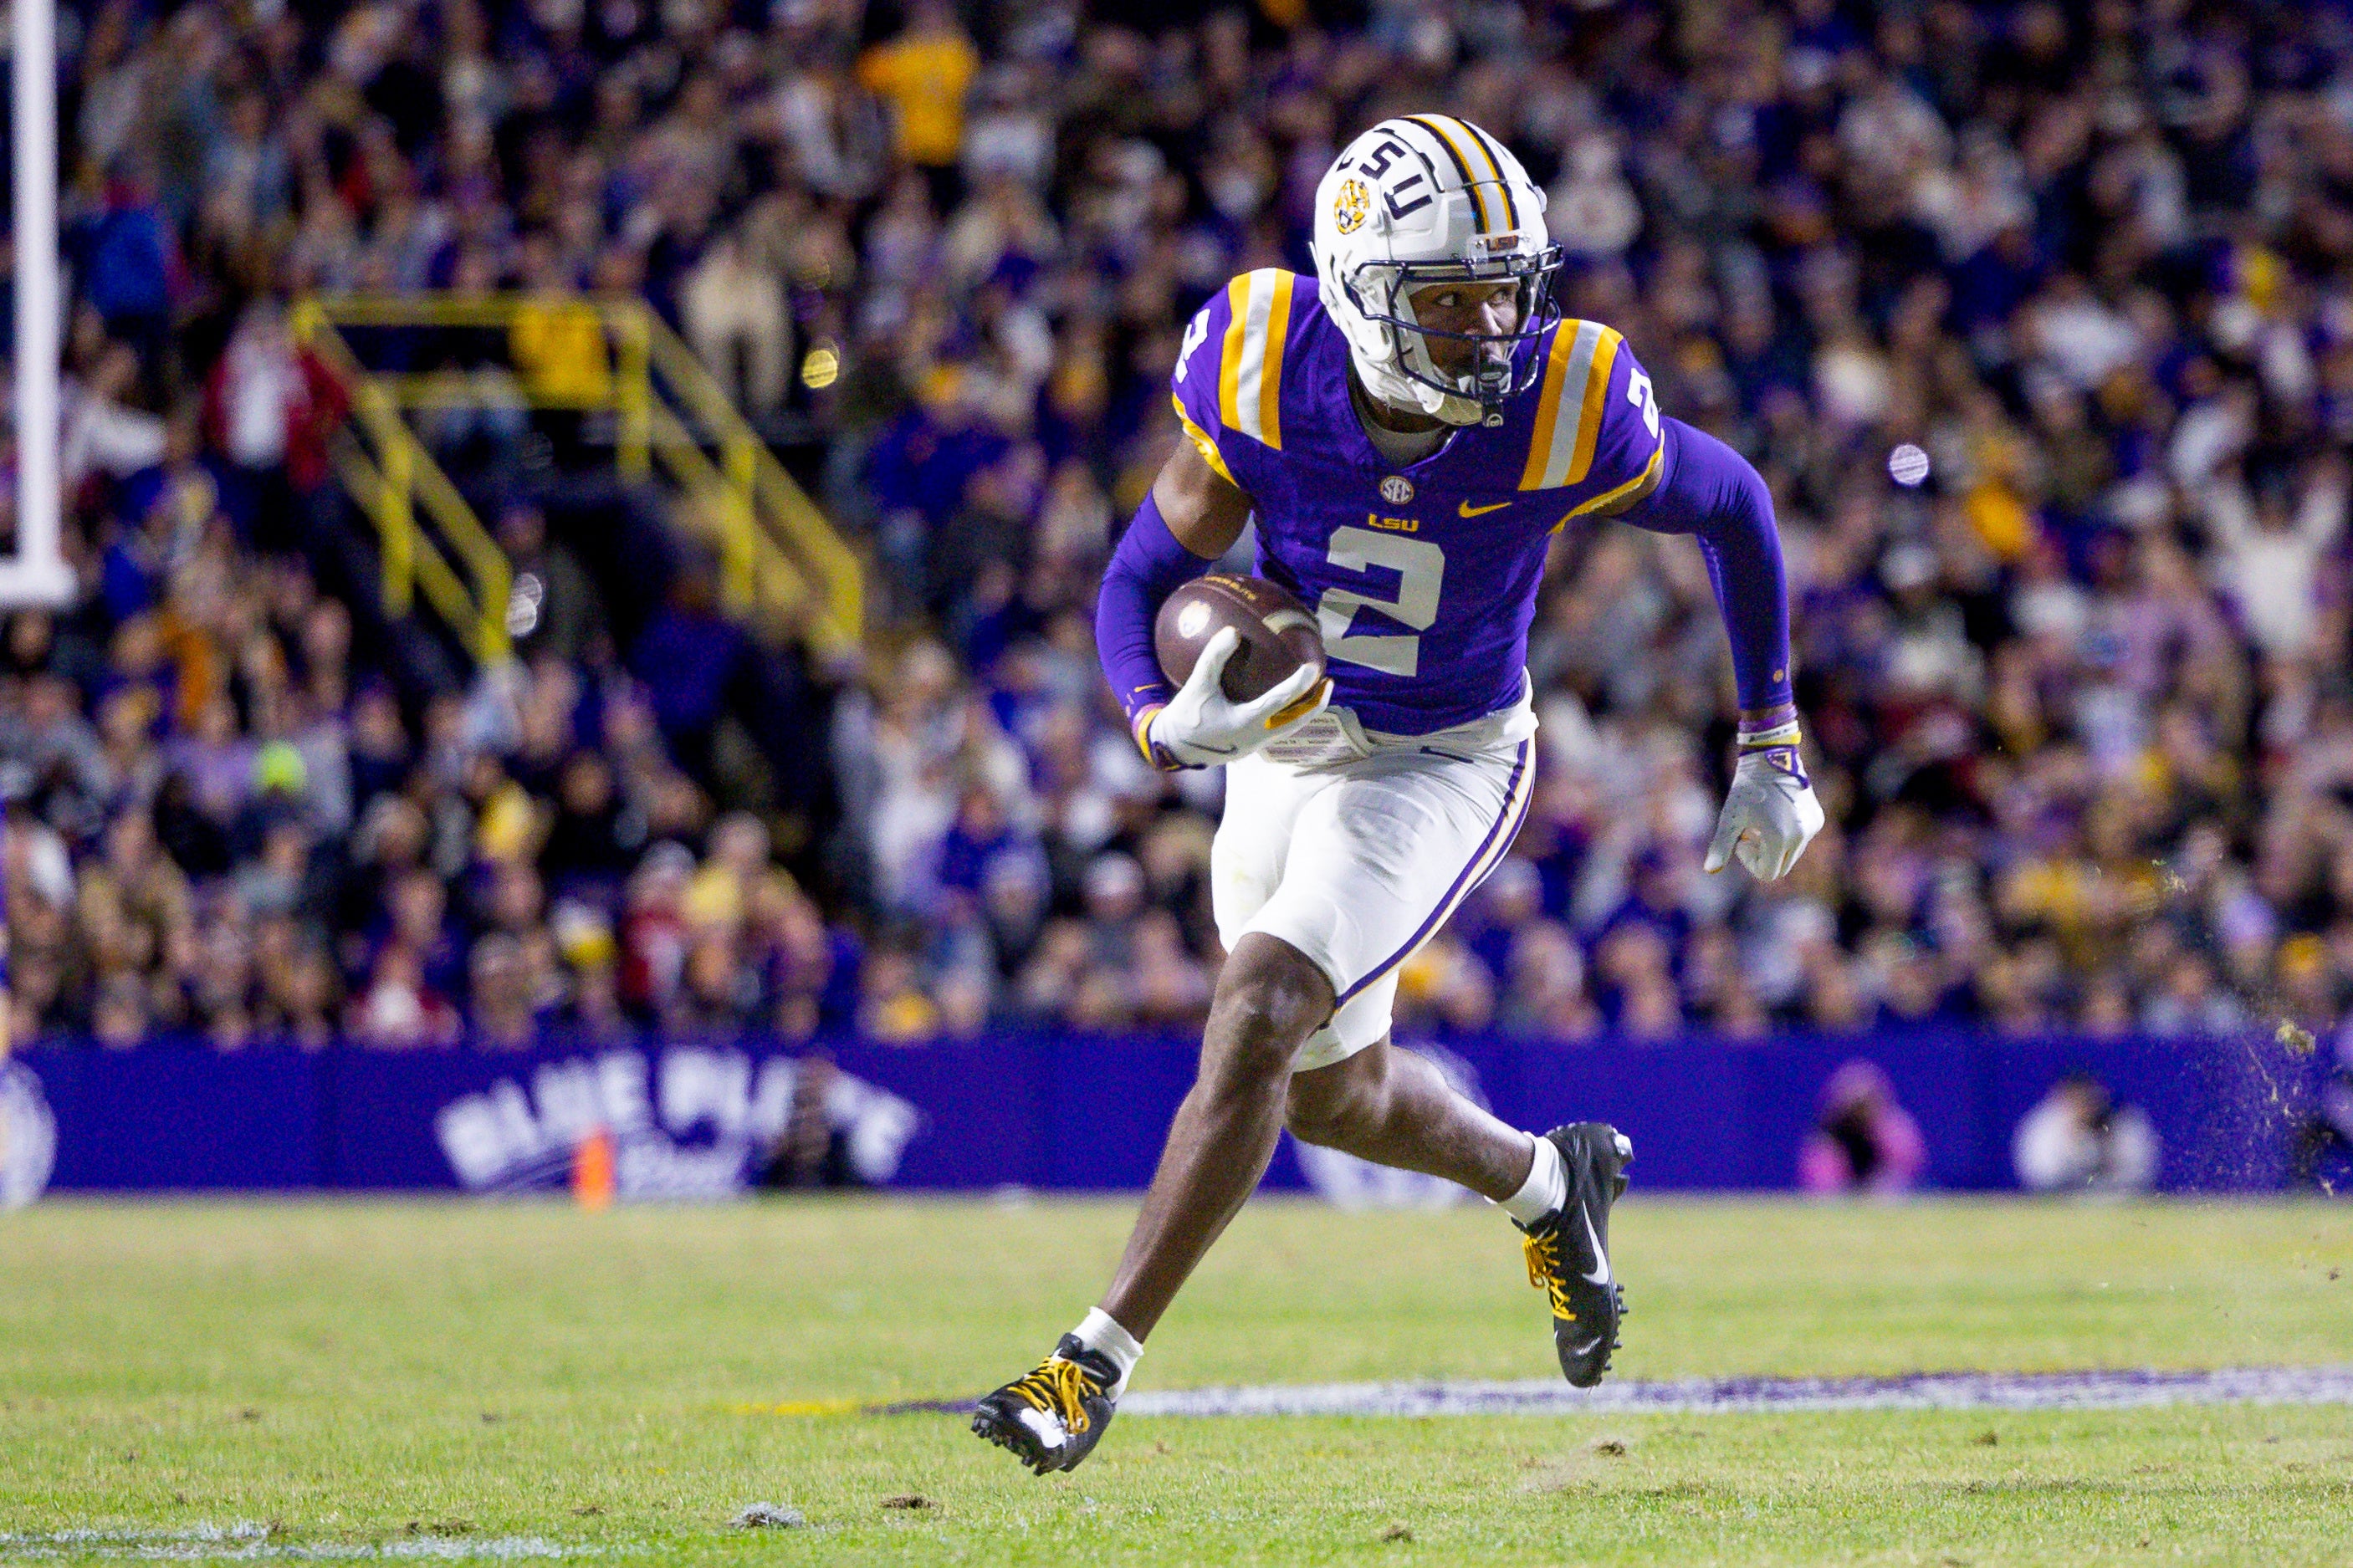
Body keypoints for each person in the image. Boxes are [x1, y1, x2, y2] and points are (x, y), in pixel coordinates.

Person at [971, 115, 1823, 1475]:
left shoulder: (1568, 394)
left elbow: (1734, 506)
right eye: (1452, 296)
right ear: (1362, 293)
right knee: (1322, 1095)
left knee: (1257, 1005)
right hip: (1288, 743)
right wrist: (1154, 716)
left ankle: (1087, 1365)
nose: (1495, 325)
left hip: (1442, 753)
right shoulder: (1258, 358)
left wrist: (1769, 734)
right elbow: (1136, 580)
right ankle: (1551, 1186)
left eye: (1509, 286)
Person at [2013, 1070, 2160, 1194]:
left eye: (2085, 1096)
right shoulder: (2046, 1124)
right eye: (2074, 1096)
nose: (2081, 1102)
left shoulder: (2119, 1119)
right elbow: (2037, 1175)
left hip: (2114, 1198)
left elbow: (2141, 1170)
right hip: (2062, 1199)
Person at [1798, 1060, 1928, 1197]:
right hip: (1841, 1190)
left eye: (1865, 1103)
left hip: (1881, 1188)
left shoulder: (1890, 1126)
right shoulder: (1831, 1130)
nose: (1860, 1111)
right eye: (1855, 1105)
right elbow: (1820, 1174)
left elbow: (1905, 1164)